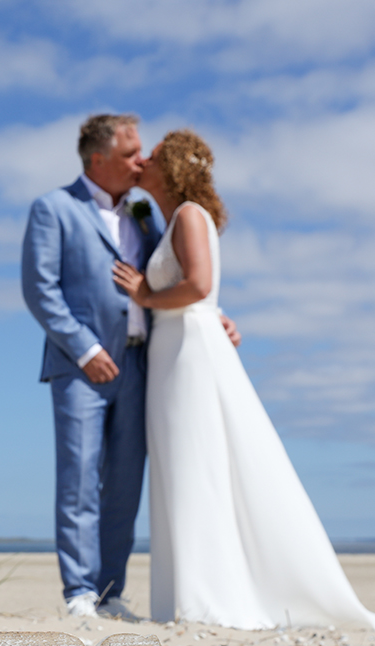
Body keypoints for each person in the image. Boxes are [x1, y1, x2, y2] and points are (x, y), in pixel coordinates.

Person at [112, 129, 375, 631]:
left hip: (186, 353)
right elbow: (201, 293)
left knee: (195, 461)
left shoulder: (188, 216)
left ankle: (204, 597)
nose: (144, 163)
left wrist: (144, 296)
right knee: (183, 463)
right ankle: (192, 593)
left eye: (153, 157)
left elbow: (198, 286)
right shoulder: (174, 220)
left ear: (174, 168)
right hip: (175, 348)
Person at [21, 114, 240, 620]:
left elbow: (176, 273)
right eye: (129, 154)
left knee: (124, 483)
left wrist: (216, 318)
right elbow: (40, 289)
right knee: (78, 478)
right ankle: (78, 593)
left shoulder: (144, 214)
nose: (140, 161)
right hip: (81, 366)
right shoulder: (53, 209)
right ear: (97, 159)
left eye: (142, 151)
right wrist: (85, 348)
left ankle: (109, 591)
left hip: (143, 363)